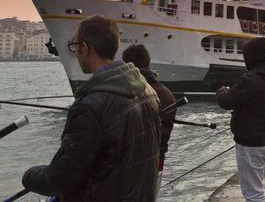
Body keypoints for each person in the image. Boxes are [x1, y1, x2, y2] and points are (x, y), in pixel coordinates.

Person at [22, 15, 161, 201]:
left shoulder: (90, 106)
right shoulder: (149, 91)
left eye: (75, 46)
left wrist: (29, 176)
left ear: (86, 48)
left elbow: (60, 178)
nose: (76, 52)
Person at [216, 37, 265, 201]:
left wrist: (221, 90)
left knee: (253, 194)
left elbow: (226, 101)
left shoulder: (250, 79)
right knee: (258, 186)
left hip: (250, 144)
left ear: (251, 57)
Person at [122, 44, 177, 195]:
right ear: (149, 64)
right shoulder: (168, 95)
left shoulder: (123, 93)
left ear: (126, 66)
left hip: (127, 166)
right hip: (156, 162)